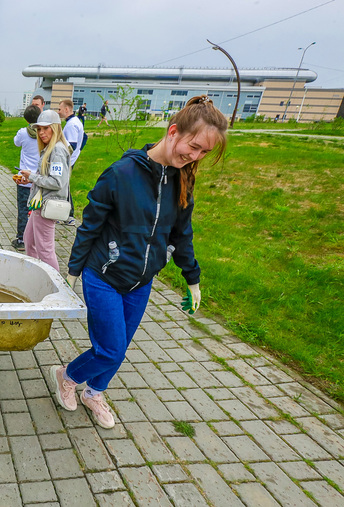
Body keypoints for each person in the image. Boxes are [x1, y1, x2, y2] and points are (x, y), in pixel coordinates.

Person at [53, 95, 227, 429]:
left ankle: (95, 392)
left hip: (140, 282)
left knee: (120, 346)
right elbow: (91, 224)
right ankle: (67, 374)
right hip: (103, 275)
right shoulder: (121, 173)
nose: (196, 157)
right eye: (194, 147)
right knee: (111, 350)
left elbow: (181, 234)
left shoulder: (183, 178)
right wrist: (73, 272)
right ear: (173, 131)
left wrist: (193, 278)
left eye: (204, 152)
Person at [17, 109, 71, 272]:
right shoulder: (50, 148)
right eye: (39, 129)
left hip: (47, 206)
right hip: (40, 204)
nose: (41, 132)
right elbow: (49, 178)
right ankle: (35, 275)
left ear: (55, 128)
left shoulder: (57, 150)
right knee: (29, 240)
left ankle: (55, 287)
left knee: (45, 250)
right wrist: (32, 178)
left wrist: (33, 177)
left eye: (45, 128)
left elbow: (57, 182)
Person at [11, 105, 41, 252]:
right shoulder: (43, 132)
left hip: (23, 178)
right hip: (38, 179)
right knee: (37, 210)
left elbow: (16, 143)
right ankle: (35, 239)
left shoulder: (23, 132)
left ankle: (21, 239)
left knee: (23, 209)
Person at [59, 98, 85, 226]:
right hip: (71, 159)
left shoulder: (71, 124)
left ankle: (69, 215)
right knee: (64, 186)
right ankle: (66, 214)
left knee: (64, 186)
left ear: (66, 109)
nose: (58, 112)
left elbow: (71, 145)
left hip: (68, 160)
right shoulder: (75, 122)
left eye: (60, 109)